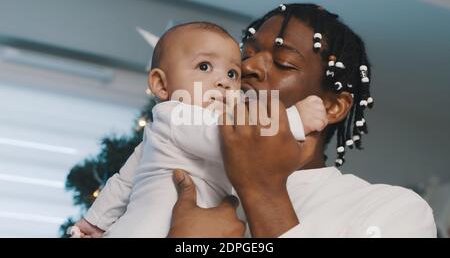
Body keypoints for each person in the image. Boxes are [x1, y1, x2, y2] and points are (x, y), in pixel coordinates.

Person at [76, 4, 437, 238]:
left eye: (283, 62)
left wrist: (259, 189)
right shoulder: (180, 159)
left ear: (331, 107)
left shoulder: (393, 210)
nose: (245, 70)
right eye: (243, 59)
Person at [71, 21, 327, 237]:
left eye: (232, 73)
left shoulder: (157, 136)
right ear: (161, 84)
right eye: (204, 67)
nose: (224, 82)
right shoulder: (176, 114)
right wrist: (294, 120)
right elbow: (226, 141)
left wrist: (95, 221)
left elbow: (123, 182)